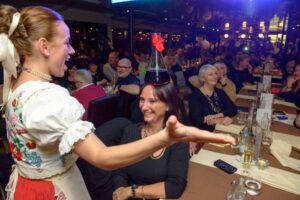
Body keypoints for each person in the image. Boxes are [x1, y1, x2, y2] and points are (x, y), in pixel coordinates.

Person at [0, 5, 235, 199]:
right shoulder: (46, 97)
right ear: (44, 46)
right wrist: (165, 138)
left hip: (25, 186)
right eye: (67, 42)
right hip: (51, 191)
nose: (71, 50)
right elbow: (102, 157)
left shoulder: (16, 88)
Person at [113, 81, 189, 200]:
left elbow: (175, 187)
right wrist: (120, 190)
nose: (144, 107)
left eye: (152, 101)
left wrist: (132, 191)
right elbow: (119, 172)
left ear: (168, 105)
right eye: (142, 100)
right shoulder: (131, 132)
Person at [189, 64, 237, 132]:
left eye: (216, 74)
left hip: (221, 128)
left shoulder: (219, 92)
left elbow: (233, 109)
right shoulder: (195, 95)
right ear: (203, 78)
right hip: (204, 132)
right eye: (210, 74)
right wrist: (218, 120)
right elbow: (196, 119)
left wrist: (217, 115)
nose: (215, 77)